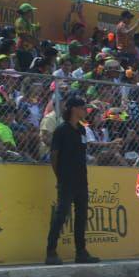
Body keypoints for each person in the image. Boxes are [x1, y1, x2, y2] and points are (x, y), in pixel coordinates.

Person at [45, 95, 99, 265]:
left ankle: (81, 252)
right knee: (61, 215)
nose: (85, 111)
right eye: (83, 108)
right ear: (74, 109)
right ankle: (51, 252)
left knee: (81, 216)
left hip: (81, 179)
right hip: (67, 180)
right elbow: (54, 156)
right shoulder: (61, 130)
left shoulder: (81, 130)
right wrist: (60, 177)